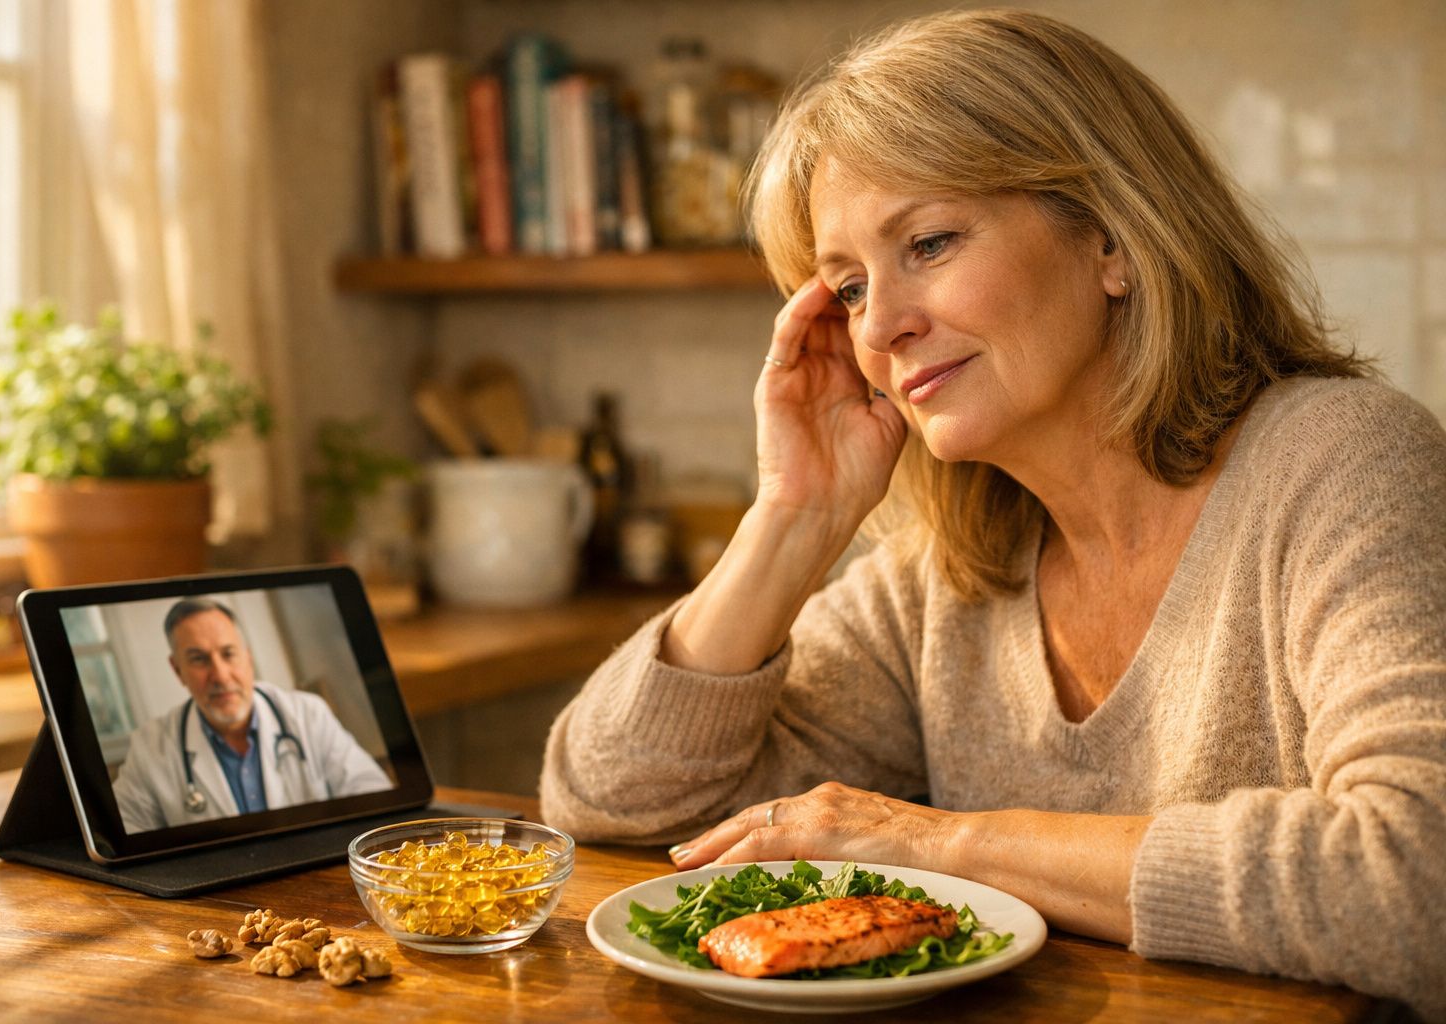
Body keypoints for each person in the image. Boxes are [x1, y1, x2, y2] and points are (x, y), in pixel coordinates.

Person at [539, 9, 1446, 1017]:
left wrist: (941, 843)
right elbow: (609, 800)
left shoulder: (1343, 461)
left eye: (928, 242)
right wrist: (792, 519)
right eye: (849, 288)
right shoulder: (951, 570)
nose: (881, 327)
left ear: (1113, 236)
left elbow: (1418, 879)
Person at [112, 597, 393, 833]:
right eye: (199, 659)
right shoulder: (150, 749)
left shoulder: (308, 714)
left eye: (228, 654)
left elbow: (374, 797)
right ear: (177, 670)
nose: (220, 676)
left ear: (248, 657)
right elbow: (124, 835)